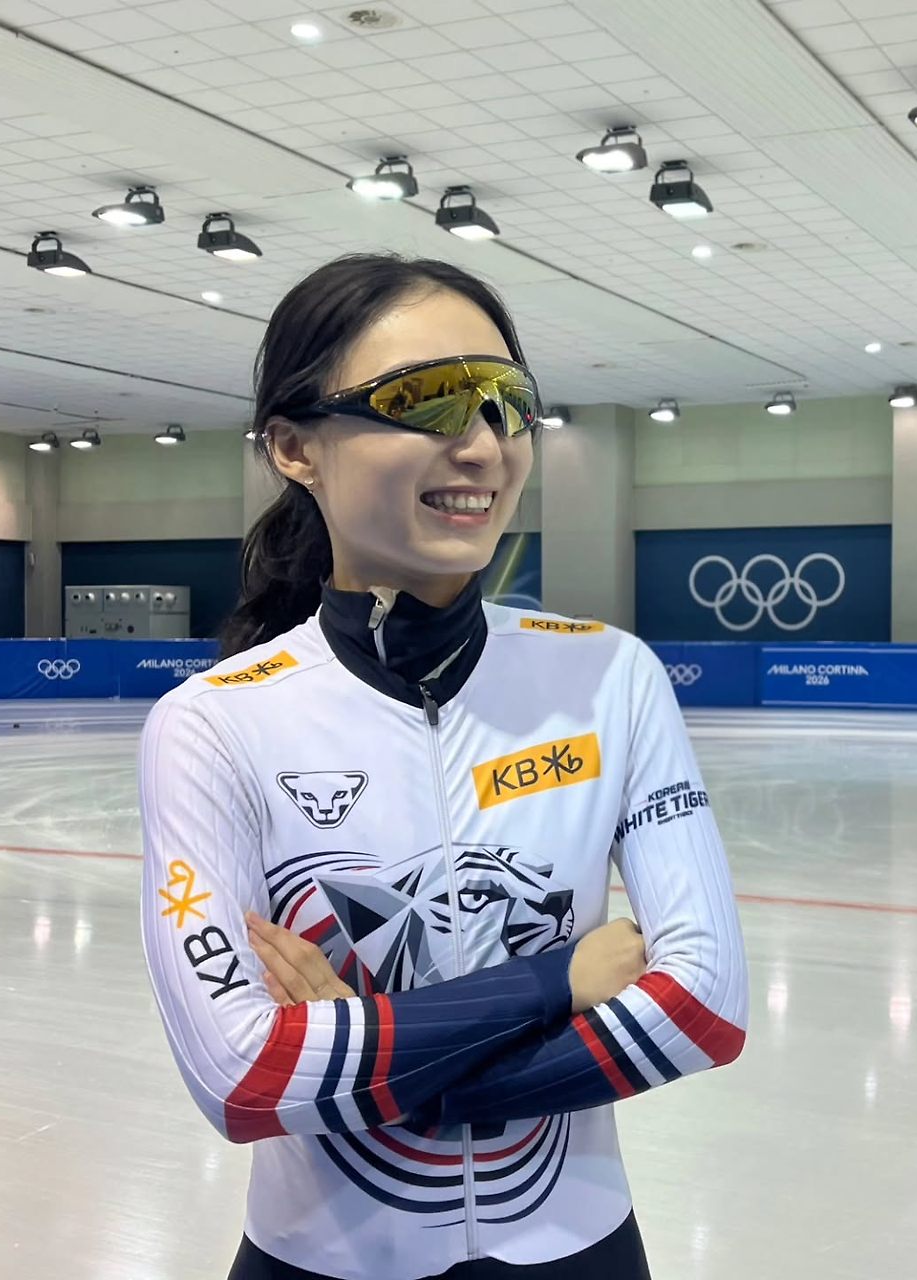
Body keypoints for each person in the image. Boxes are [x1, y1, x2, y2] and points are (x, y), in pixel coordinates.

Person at [138, 254, 749, 1280]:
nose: (483, 445)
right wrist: (557, 979)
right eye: (421, 400)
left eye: (506, 402)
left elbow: (705, 1005)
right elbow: (242, 1077)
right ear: (293, 446)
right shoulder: (211, 723)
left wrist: (381, 1067)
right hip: (317, 1258)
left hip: (579, 1248)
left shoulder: (610, 676)